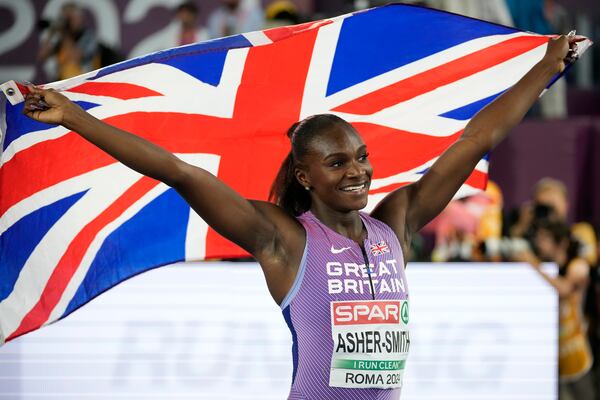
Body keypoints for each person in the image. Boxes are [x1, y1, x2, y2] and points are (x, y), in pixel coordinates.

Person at [22, 35, 576, 399]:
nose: (358, 171)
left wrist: (547, 66)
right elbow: (180, 172)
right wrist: (74, 116)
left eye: (360, 157)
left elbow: (476, 137)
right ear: (306, 177)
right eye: (337, 163)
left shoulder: (396, 225)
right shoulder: (283, 239)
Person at [515, 219, 595, 400]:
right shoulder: (546, 268)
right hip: (553, 355)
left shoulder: (577, 265)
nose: (539, 243)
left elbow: (565, 289)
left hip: (577, 353)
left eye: (545, 239)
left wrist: (533, 264)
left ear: (560, 242)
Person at [37, 2, 100, 81]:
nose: (68, 22)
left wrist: (64, 33)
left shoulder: (88, 37)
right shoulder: (60, 37)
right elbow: (42, 56)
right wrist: (51, 33)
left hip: (83, 81)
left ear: (79, 18)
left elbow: (75, 57)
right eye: (65, 18)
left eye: (70, 18)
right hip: (61, 81)